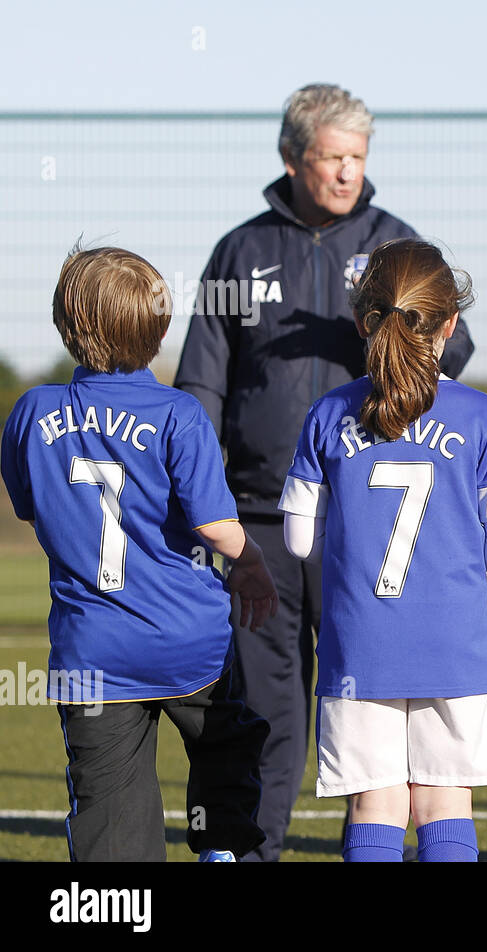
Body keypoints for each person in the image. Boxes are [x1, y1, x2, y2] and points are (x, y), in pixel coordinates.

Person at [174, 84, 474, 861]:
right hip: (262, 520)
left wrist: (377, 325)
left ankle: (368, 844)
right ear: (292, 156)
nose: (346, 173)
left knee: (373, 705)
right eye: (331, 157)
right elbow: (200, 384)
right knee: (265, 706)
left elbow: (455, 351)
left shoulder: (395, 245)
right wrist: (202, 501)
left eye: (358, 159)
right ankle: (250, 850)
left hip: (365, 524)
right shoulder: (238, 253)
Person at [1, 246, 277, 861]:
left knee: (109, 816)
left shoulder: (30, 413)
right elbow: (214, 525)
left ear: (66, 324)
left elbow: (30, 507)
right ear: (157, 330)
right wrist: (253, 562)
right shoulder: (180, 414)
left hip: (92, 652)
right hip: (188, 640)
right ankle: (222, 848)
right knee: (229, 743)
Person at [277, 238, 487, 862]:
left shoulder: (327, 412)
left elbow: (299, 539)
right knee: (445, 808)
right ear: (451, 324)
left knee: (374, 809)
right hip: (455, 648)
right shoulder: (483, 414)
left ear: (365, 322)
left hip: (359, 646)